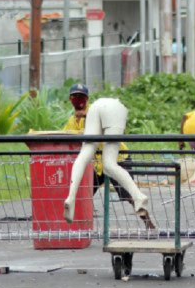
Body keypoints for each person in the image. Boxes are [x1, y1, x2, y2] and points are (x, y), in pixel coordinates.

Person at [64, 98, 154, 229]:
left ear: (87, 99)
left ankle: (148, 223)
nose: (79, 101)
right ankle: (75, 226)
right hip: (97, 164)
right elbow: (65, 136)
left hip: (119, 158)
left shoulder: (94, 110)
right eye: (75, 97)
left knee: (128, 195)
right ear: (71, 100)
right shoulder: (71, 121)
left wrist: (87, 118)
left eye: (81, 97)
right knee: (84, 193)